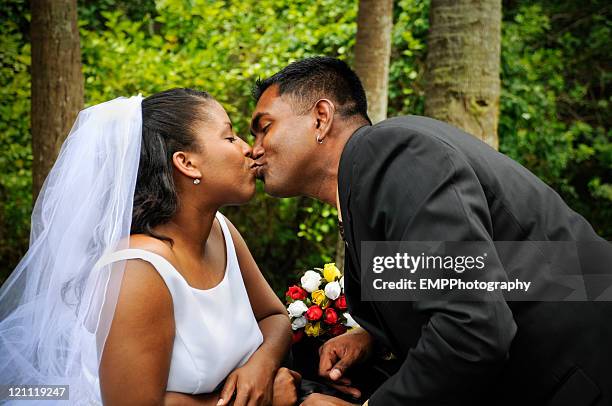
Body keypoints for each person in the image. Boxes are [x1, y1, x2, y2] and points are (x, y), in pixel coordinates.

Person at [249, 57, 612, 406]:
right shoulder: (369, 182)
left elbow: (472, 329)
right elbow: (462, 283)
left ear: (321, 118)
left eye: (264, 127)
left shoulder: (390, 153)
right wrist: (373, 337)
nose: (255, 150)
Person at [0, 88, 300, 405]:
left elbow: (274, 317)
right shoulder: (137, 271)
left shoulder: (220, 231)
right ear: (187, 163)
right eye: (229, 138)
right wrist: (260, 401)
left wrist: (261, 367)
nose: (248, 150)